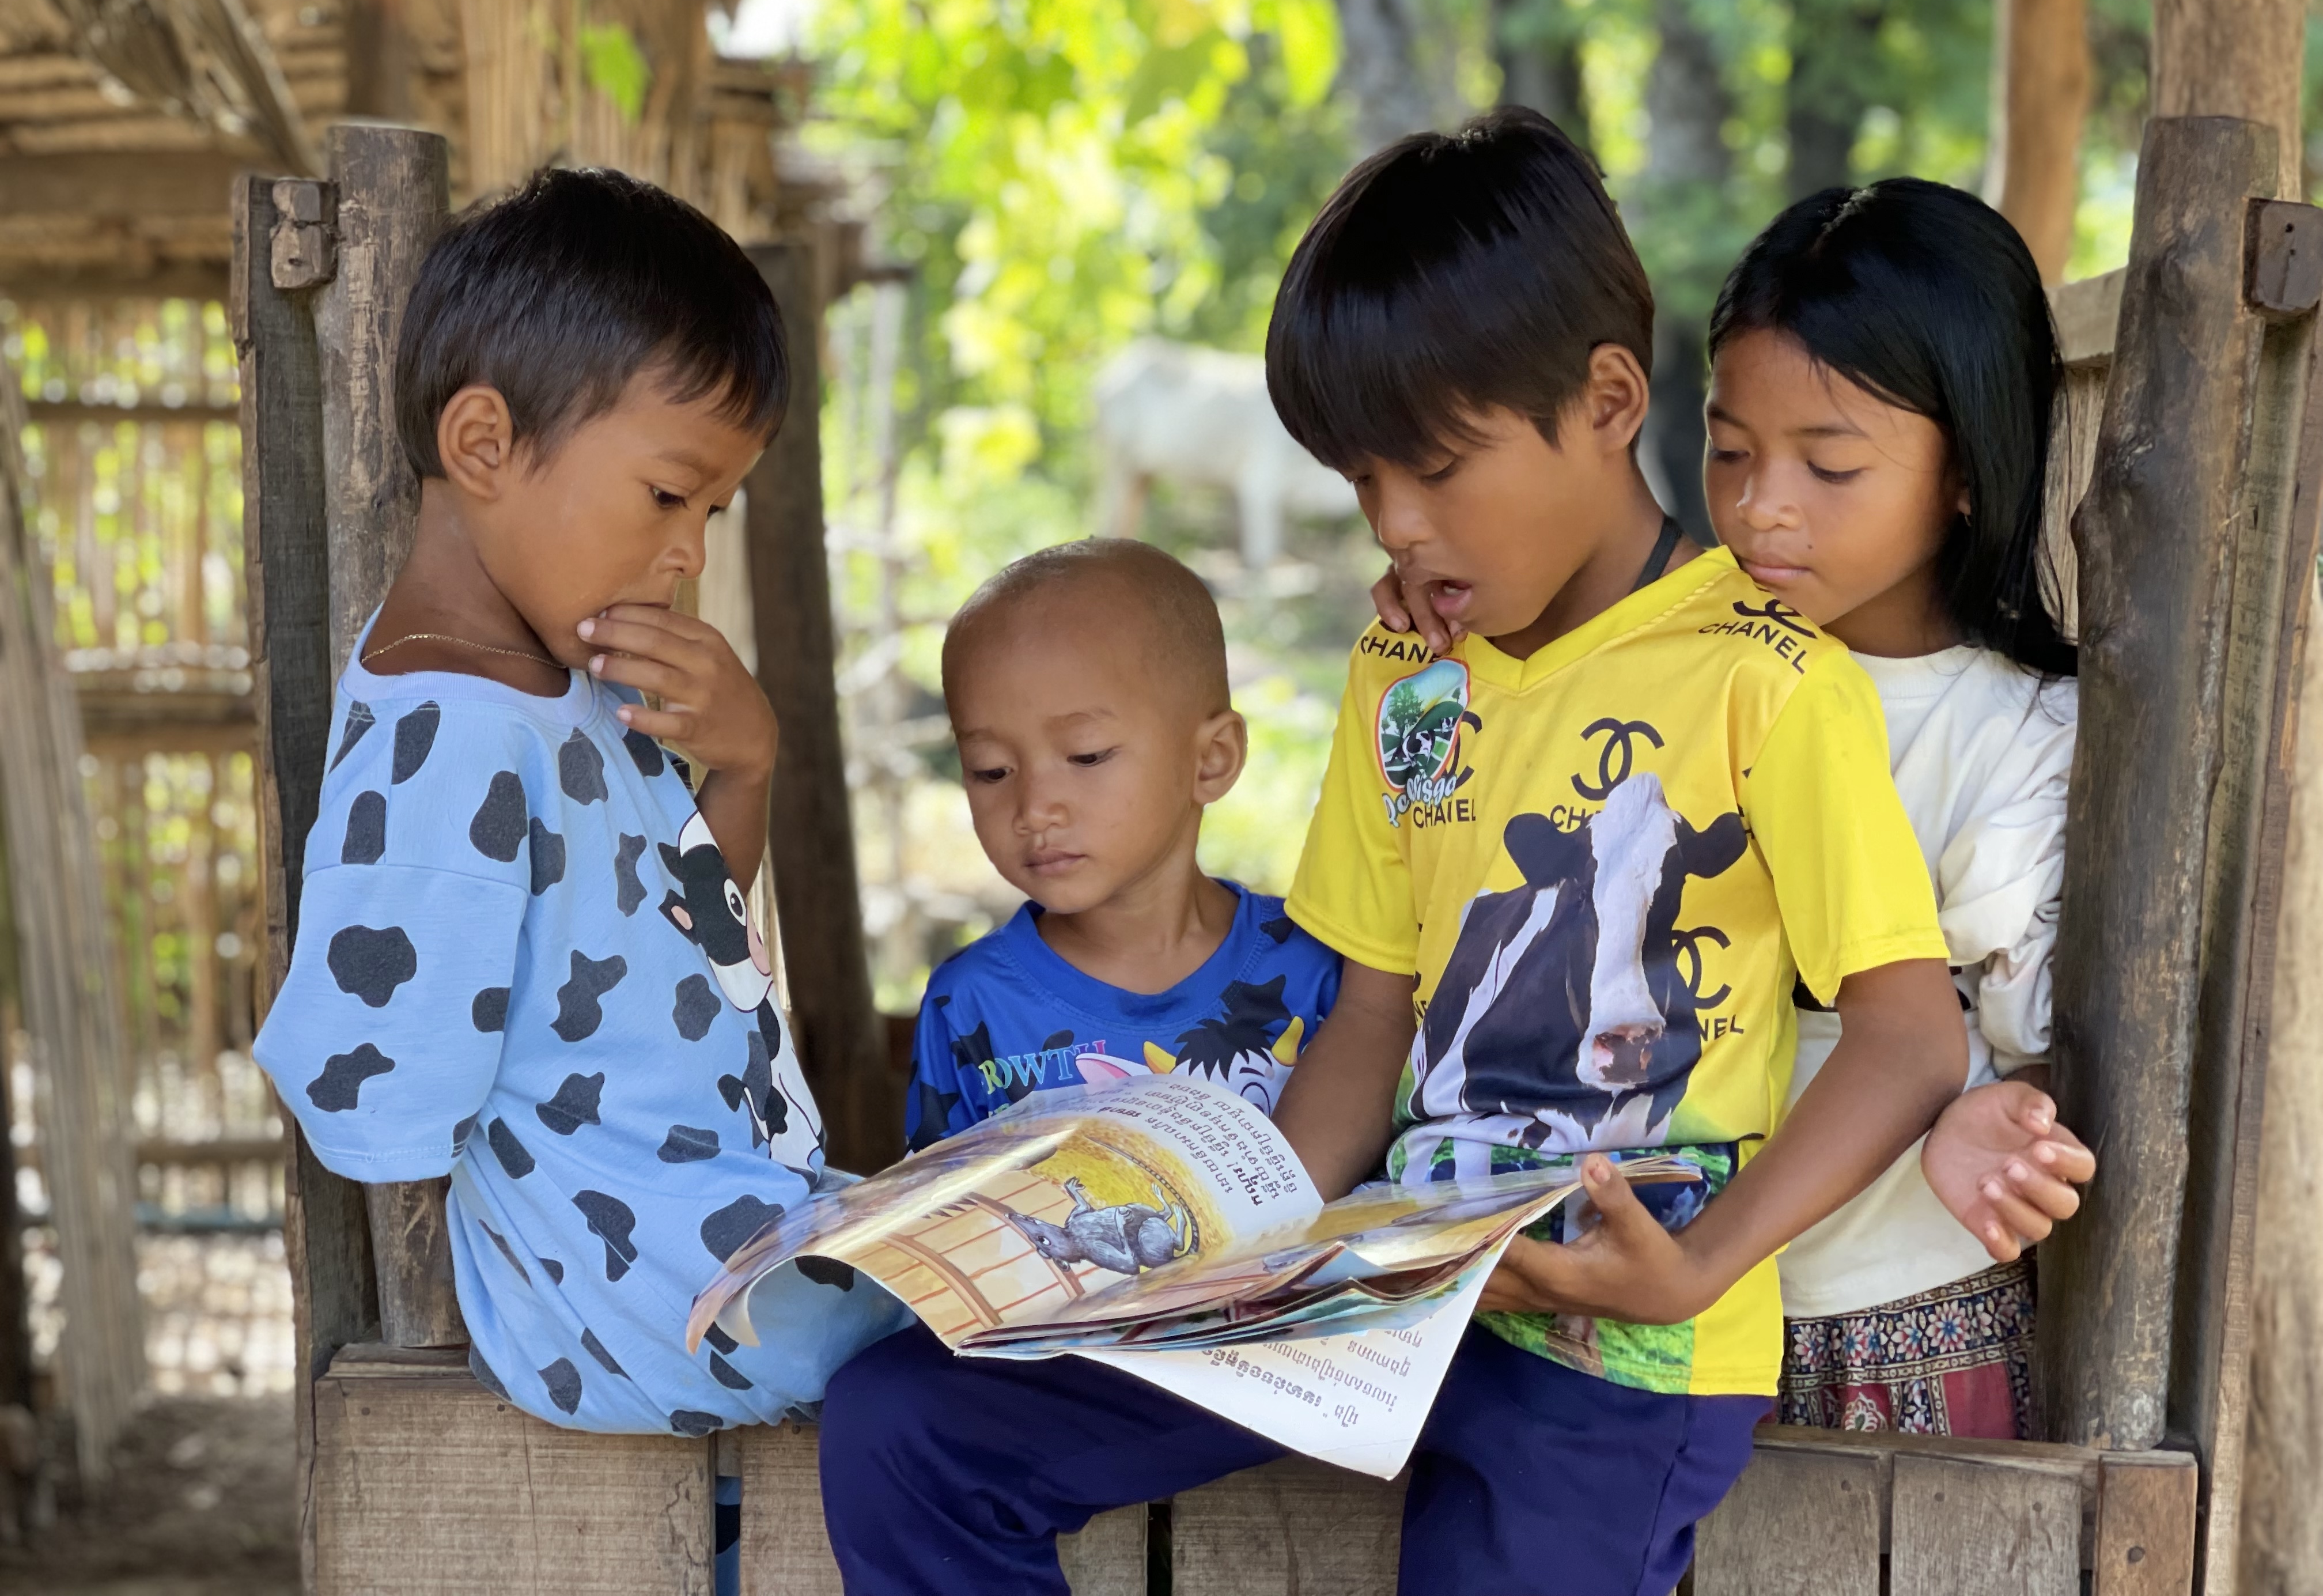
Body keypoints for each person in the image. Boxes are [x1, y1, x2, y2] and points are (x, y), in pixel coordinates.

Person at [816, 109, 2073, 1596]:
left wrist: (1696, 1264)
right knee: (905, 1428)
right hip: (1389, 1291)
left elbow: (1911, 1036)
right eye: (1363, 484)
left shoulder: (1765, 672)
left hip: (1620, 1339)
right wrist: (1226, 1250)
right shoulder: (1406, 673)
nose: (1400, 526)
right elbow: (1371, 1012)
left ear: (1610, 402)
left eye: (1439, 470)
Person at [249, 167, 911, 1444]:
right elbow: (365, 1092)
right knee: (985, 1324)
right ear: (484, 445)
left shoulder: (570, 691)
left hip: (716, 1227)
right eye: (671, 494)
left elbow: (698, 954)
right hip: (627, 1292)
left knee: (986, 1272)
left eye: (715, 510)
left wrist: (745, 769)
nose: (690, 552)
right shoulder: (454, 733)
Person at [1698, 180, 2094, 1435]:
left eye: (1829, 465)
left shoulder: (2013, 736)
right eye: (1729, 451)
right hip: (1664, 1325)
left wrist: (1989, 1106)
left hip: (1896, 1329)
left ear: (1968, 472)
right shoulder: (1678, 657)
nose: (1764, 504)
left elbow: (2044, 1045)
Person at [902, 538, 1340, 1152]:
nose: (1034, 809)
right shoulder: (971, 1004)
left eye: (1086, 756)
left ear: (1210, 761)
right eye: (991, 769)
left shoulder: (1316, 969)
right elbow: (939, 1222)